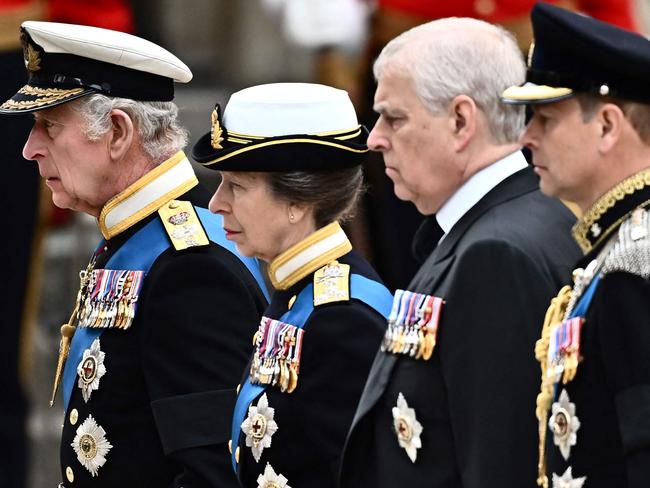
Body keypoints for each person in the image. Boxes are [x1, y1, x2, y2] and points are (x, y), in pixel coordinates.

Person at [0, 21, 269, 487]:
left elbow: (213, 476)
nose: (29, 150)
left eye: (48, 127)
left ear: (119, 132)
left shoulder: (191, 268)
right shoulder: (137, 242)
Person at [338, 17, 581, 488]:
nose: (374, 138)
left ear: (460, 121)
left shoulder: (494, 255)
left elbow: (503, 463)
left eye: (394, 117)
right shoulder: (526, 217)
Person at [191, 82, 393, 488]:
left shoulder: (344, 318)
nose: (216, 203)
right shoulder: (297, 293)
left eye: (237, 186)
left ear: (299, 202)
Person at [501, 4, 650, 487]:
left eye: (545, 118)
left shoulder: (635, 266)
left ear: (607, 126)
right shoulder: (616, 246)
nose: (527, 137)